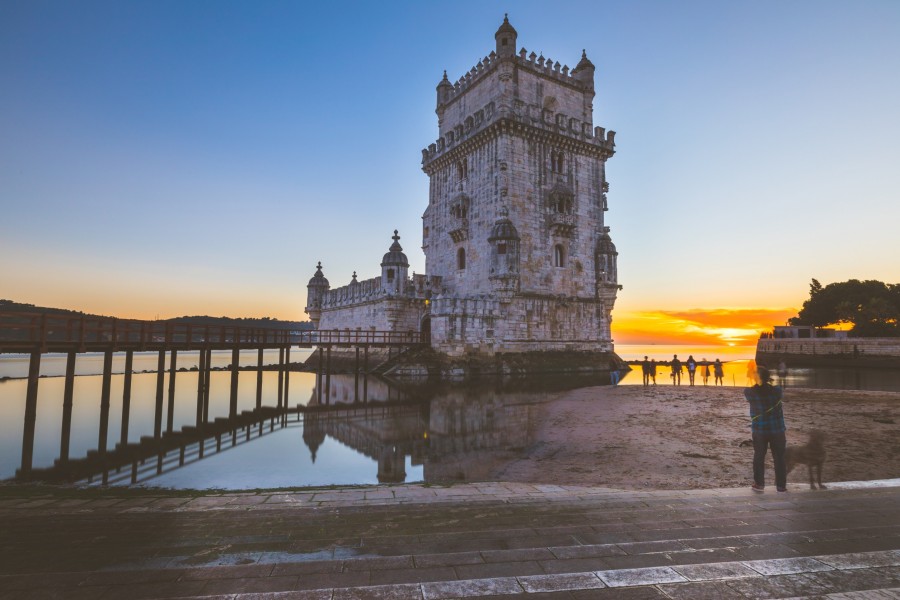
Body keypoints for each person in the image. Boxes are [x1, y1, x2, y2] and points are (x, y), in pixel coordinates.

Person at [744, 366, 787, 492]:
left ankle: (759, 484)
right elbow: (775, 391)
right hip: (777, 429)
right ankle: (781, 486)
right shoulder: (777, 391)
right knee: (779, 457)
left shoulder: (749, 392)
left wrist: (752, 379)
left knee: (759, 456)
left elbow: (748, 389)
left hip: (760, 430)